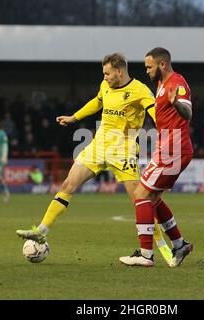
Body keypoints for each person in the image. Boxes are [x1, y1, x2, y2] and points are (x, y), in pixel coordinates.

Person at [16, 53, 173, 263]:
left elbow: (157, 115)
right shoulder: (105, 85)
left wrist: (168, 132)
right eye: (103, 73)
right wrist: (74, 117)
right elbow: (97, 102)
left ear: (119, 71)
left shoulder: (140, 90)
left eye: (107, 73)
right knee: (68, 184)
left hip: (123, 151)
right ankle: (41, 230)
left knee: (140, 201)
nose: (105, 77)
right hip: (98, 146)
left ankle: (164, 248)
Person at [119, 47, 194, 268]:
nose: (147, 71)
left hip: (174, 148)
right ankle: (180, 245)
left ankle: (145, 255)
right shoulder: (162, 84)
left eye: (149, 67)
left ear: (162, 64)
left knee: (140, 194)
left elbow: (188, 113)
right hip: (168, 148)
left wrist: (176, 104)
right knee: (152, 198)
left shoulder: (176, 83)